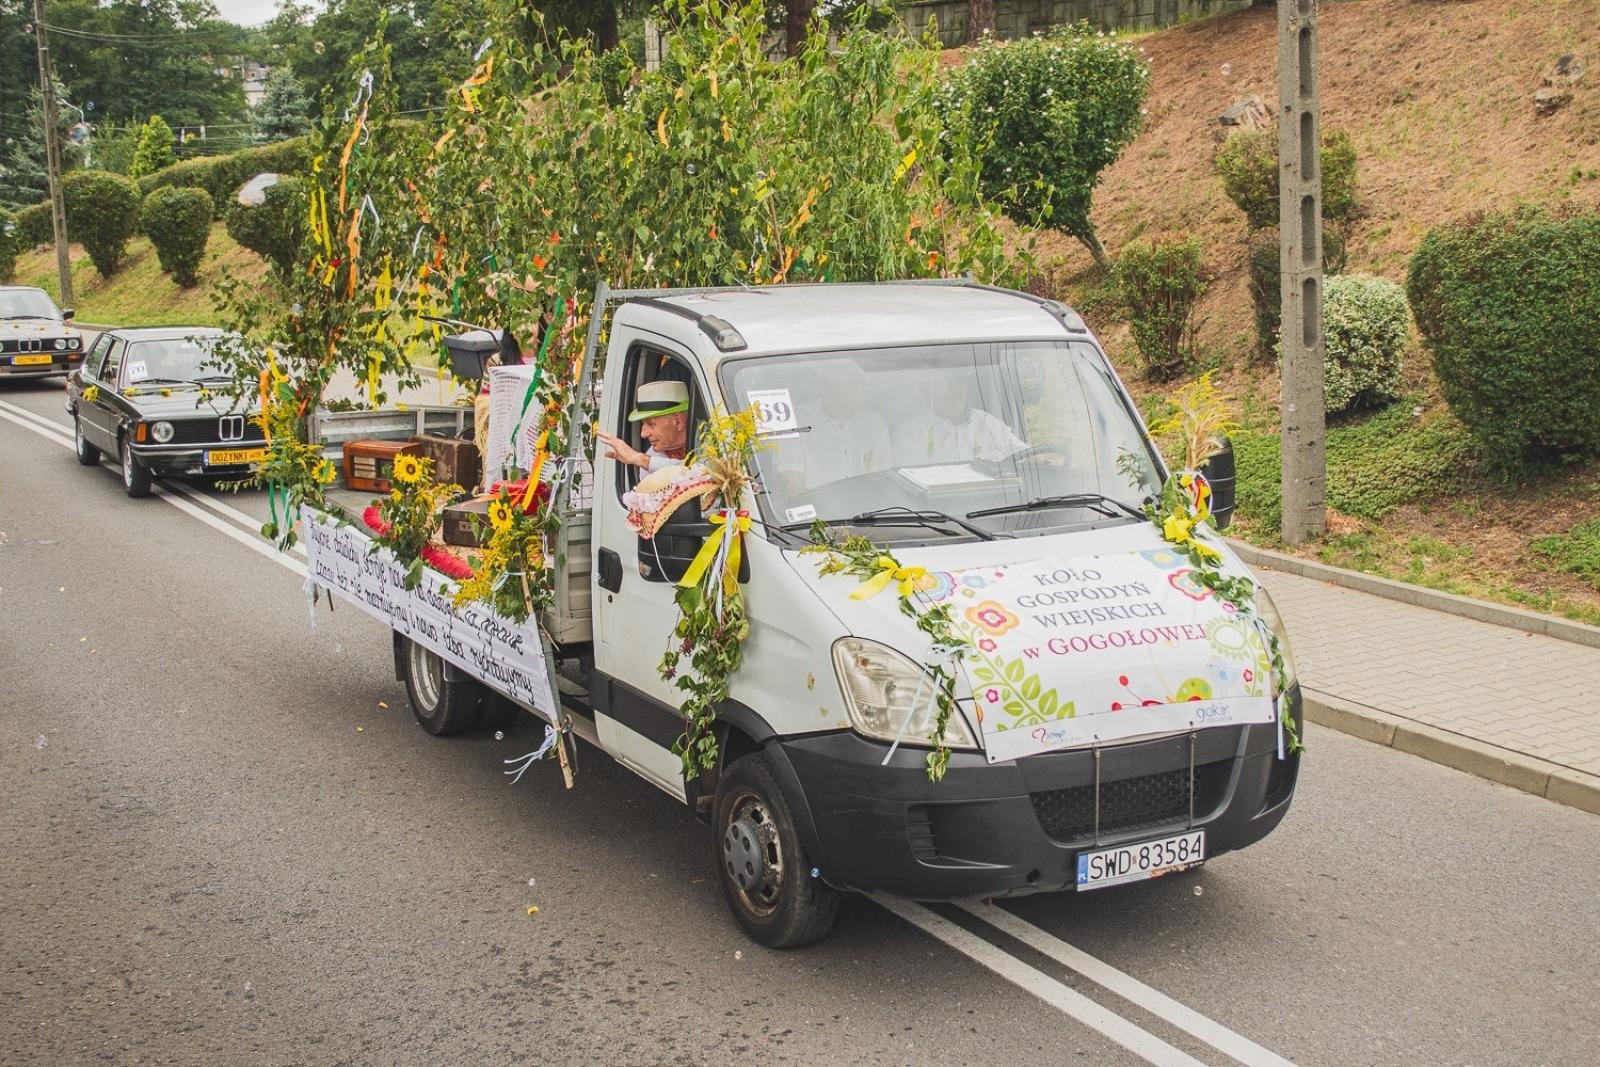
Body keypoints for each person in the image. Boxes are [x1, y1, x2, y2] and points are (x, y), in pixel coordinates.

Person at [770, 361, 891, 495]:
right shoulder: (795, 421)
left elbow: (885, 483)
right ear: (822, 387)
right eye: (837, 387)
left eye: (852, 387)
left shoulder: (875, 424)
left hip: (871, 512)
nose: (844, 394)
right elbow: (792, 485)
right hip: (818, 512)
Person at [893, 373, 1027, 465]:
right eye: (946, 384)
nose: (955, 391)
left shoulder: (987, 422)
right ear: (928, 391)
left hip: (1005, 505)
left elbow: (1027, 458)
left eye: (959, 382)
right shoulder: (909, 434)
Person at [596, 379, 691, 473]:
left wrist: (641, 459)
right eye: (642, 423)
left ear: (678, 421)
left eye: (651, 424)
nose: (643, 434)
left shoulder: (705, 440)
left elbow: (700, 472)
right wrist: (642, 460)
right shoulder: (651, 461)